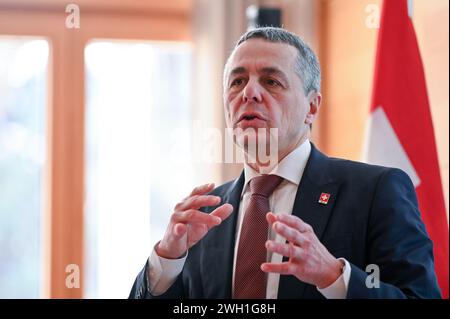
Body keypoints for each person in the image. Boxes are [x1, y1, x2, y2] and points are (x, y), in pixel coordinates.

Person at [129, 27, 441, 299]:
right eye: (237, 82)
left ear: (312, 107)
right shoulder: (205, 215)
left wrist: (334, 276)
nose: (249, 93)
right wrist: (167, 259)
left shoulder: (375, 191)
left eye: (271, 81)